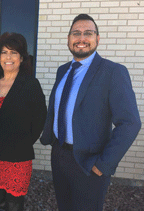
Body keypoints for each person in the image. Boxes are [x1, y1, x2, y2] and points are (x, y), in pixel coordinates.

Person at [40, 14, 142, 211]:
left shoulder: (113, 72)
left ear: (98, 38)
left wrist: (104, 164)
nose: (81, 38)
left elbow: (130, 123)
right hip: (60, 155)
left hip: (89, 163)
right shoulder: (63, 71)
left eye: (88, 33)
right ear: (69, 39)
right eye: (76, 33)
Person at [0, 32, 47, 211]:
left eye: (14, 53)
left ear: (21, 57)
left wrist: (25, 142)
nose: (9, 57)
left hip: (18, 156)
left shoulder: (30, 84)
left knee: (15, 203)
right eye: (4, 52)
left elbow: (40, 117)